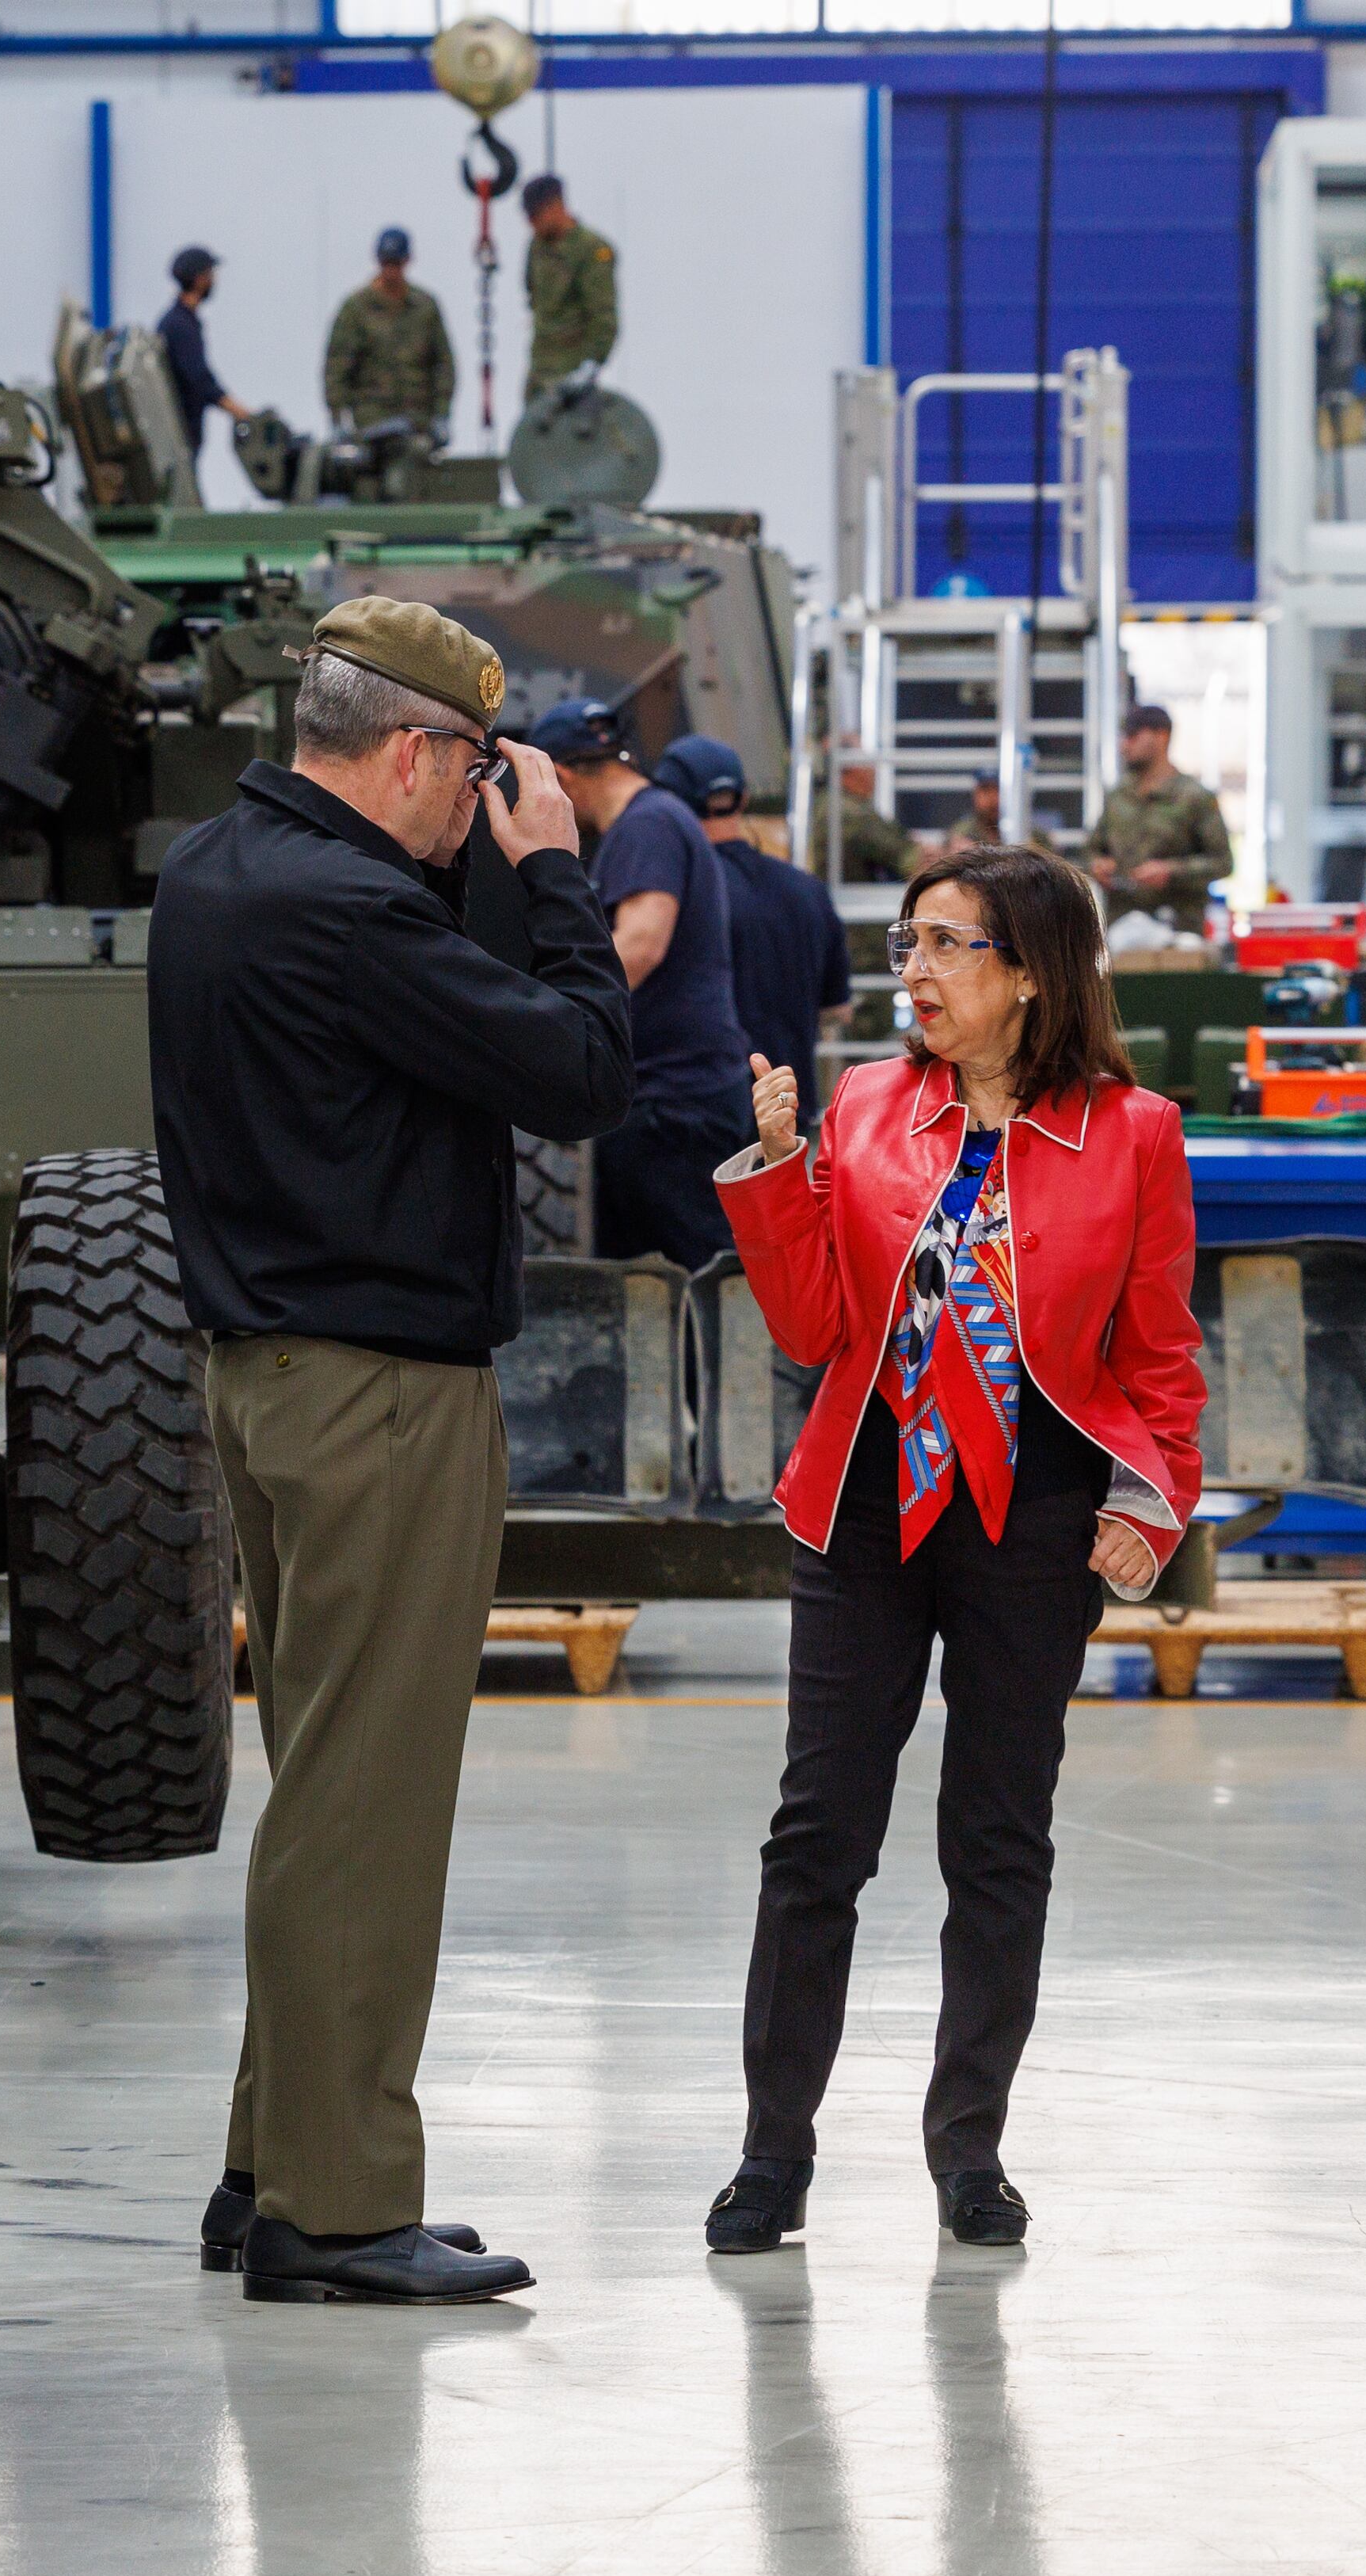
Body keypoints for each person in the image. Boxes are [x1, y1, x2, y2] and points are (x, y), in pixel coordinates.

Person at [149, 596, 630, 2308]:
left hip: (267, 1376)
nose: (471, 813)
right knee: (369, 1800)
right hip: (381, 1397)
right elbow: (577, 1062)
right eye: (467, 781)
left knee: (323, 1787)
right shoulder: (350, 912)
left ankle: (268, 2157)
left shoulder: (217, 871)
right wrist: (557, 870)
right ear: (419, 751)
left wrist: (471, 865)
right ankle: (334, 2209)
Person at [702, 847, 1204, 2257]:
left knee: (999, 1841)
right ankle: (772, 2154)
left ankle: (967, 2150)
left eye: (945, 944)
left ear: (1032, 971)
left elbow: (1161, 1355)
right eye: (904, 939)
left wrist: (1151, 1496)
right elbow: (812, 1332)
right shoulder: (866, 1103)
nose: (911, 972)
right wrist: (778, 1170)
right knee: (818, 1837)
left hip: (1033, 1517)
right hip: (866, 1509)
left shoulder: (1136, 1133)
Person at [538, 699, 751, 1265]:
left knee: (699, 1279)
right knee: (660, 1287)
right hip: (675, 1100)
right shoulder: (656, 819)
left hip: (675, 1107)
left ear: (560, 775)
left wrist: (552, 1020)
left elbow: (641, 942)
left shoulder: (648, 823)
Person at [667, 734, 850, 1135]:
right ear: (744, 798)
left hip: (701, 1113)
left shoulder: (676, 893)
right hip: (787, 1110)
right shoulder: (808, 891)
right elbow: (837, 1009)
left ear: (672, 804)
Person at [1083, 702, 1232, 935]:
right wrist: (1098, 865)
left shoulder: (1194, 797)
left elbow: (1222, 862)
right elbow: (1092, 850)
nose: (1124, 746)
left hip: (1178, 931)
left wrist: (1171, 871)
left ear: (1161, 736)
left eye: (1133, 736)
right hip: (1122, 930)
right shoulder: (1118, 797)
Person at [326, 227, 454, 436]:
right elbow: (337, 367)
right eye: (386, 263)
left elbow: (444, 365)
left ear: (407, 261)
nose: (391, 271)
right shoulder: (356, 309)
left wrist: (442, 415)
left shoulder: (425, 307)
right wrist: (338, 419)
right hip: (371, 421)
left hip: (418, 421)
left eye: (397, 263)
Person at [158, 246, 252, 485]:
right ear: (200, 279)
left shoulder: (180, 321)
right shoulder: (180, 325)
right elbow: (198, 377)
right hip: (180, 430)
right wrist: (237, 410)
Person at [521, 177, 616, 395]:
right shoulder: (537, 248)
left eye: (536, 215)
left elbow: (604, 318)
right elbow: (532, 295)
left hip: (573, 374)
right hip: (539, 371)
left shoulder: (592, 250)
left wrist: (590, 365)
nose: (531, 223)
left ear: (556, 206)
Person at [831, 760, 914, 894]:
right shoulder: (850, 812)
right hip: (852, 896)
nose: (873, 776)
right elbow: (905, 859)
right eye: (867, 769)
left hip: (852, 892)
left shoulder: (851, 804)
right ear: (850, 774)